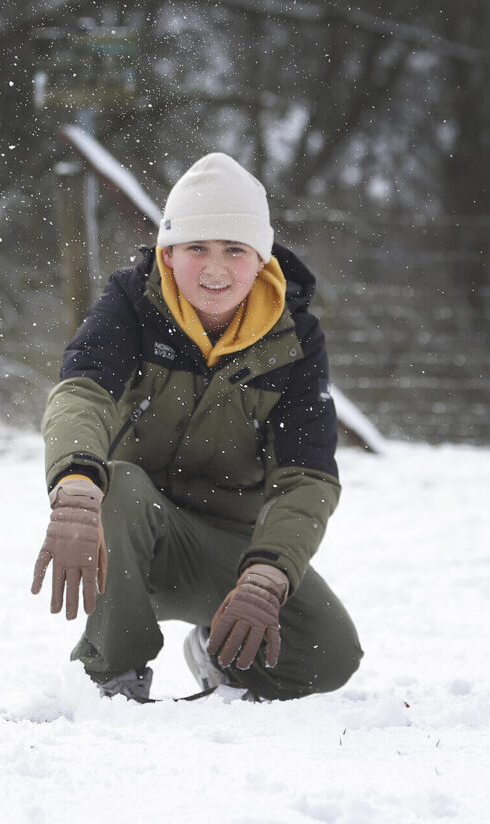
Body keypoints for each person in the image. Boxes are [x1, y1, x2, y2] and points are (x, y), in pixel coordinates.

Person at [32, 152, 362, 701]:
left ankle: (222, 657)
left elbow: (308, 476)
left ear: (260, 259)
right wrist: (74, 488)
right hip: (126, 537)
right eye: (196, 249)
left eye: (235, 249)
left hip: (230, 552)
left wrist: (268, 573)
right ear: (167, 252)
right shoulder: (132, 304)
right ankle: (112, 674)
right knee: (119, 485)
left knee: (330, 655)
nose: (215, 268)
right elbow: (81, 394)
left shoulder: (295, 341)